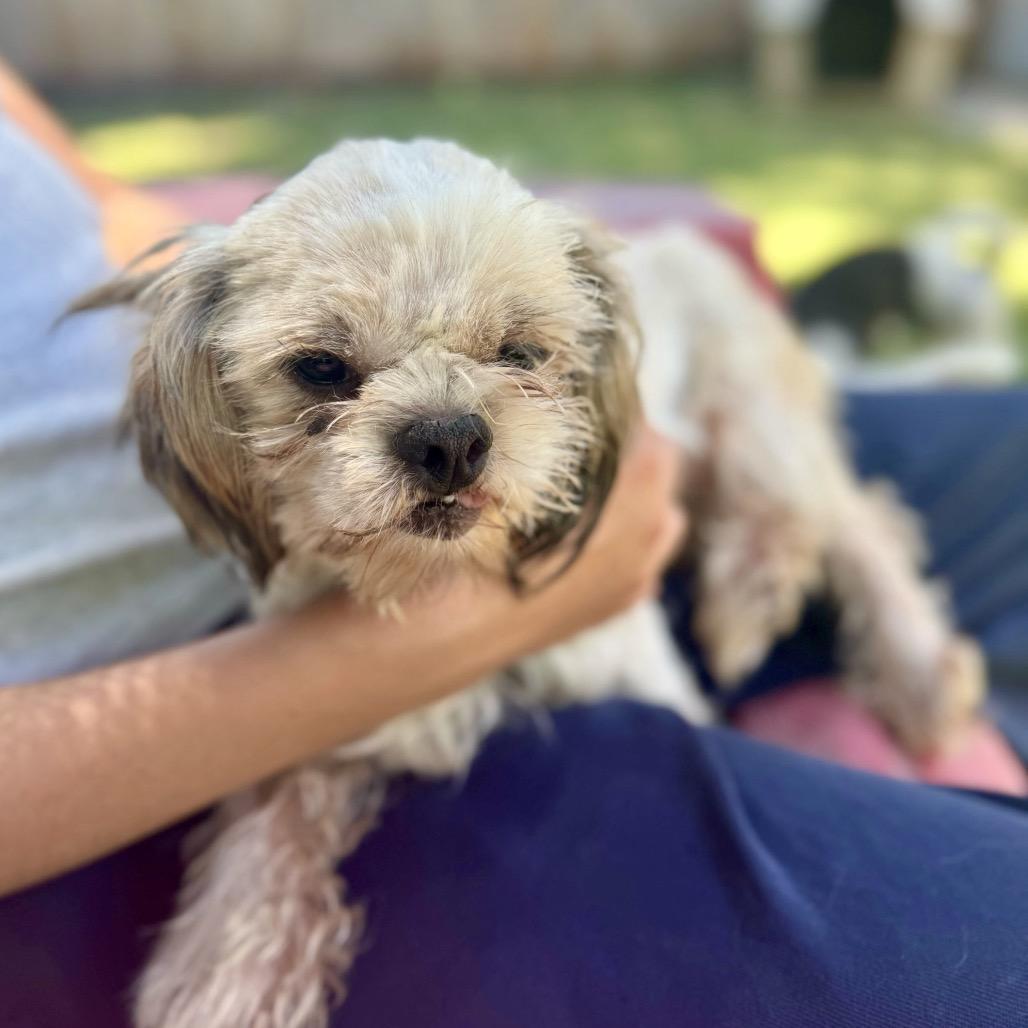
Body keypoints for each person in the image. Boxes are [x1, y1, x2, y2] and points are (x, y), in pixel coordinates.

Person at [1, 63, 1027, 1028]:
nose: (445, 434)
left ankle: (860, 587)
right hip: (258, 635)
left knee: (906, 459)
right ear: (210, 384)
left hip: (592, 462)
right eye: (324, 372)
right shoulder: (208, 387)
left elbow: (106, 205)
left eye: (517, 351)